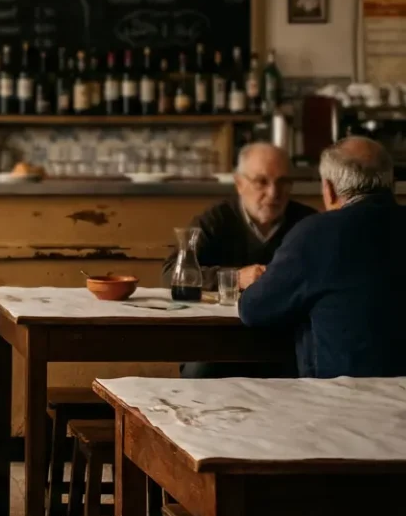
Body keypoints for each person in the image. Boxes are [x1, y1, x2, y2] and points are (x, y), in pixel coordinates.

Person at [240, 137, 406, 378]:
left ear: (328, 189)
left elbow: (254, 310)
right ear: (391, 183)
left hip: (343, 397)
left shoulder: (316, 232)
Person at [163, 142, 317, 379]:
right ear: (239, 183)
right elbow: (171, 273)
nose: (274, 193)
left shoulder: (308, 223)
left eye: (283, 182)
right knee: (200, 375)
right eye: (261, 182)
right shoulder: (216, 220)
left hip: (287, 339)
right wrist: (235, 278)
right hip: (219, 339)